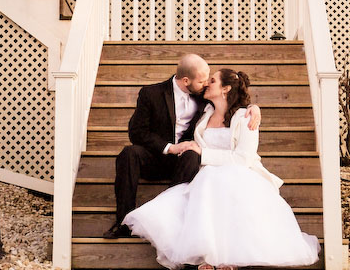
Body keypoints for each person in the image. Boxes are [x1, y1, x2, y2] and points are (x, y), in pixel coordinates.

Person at [122, 69, 321, 270]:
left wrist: (203, 152)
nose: (207, 83)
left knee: (221, 184)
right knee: (206, 183)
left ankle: (229, 256)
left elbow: (243, 158)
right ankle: (207, 254)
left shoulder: (245, 117)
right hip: (206, 172)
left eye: (213, 80)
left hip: (239, 172)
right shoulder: (205, 112)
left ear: (225, 89)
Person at [103, 55, 261, 239]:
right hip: (158, 155)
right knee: (129, 153)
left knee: (192, 155)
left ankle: (173, 217)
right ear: (186, 81)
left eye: (208, 80)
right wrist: (169, 147)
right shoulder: (151, 94)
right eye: (202, 81)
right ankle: (123, 221)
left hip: (187, 162)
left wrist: (253, 107)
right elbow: (136, 133)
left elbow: (230, 100)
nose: (205, 85)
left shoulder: (204, 96)